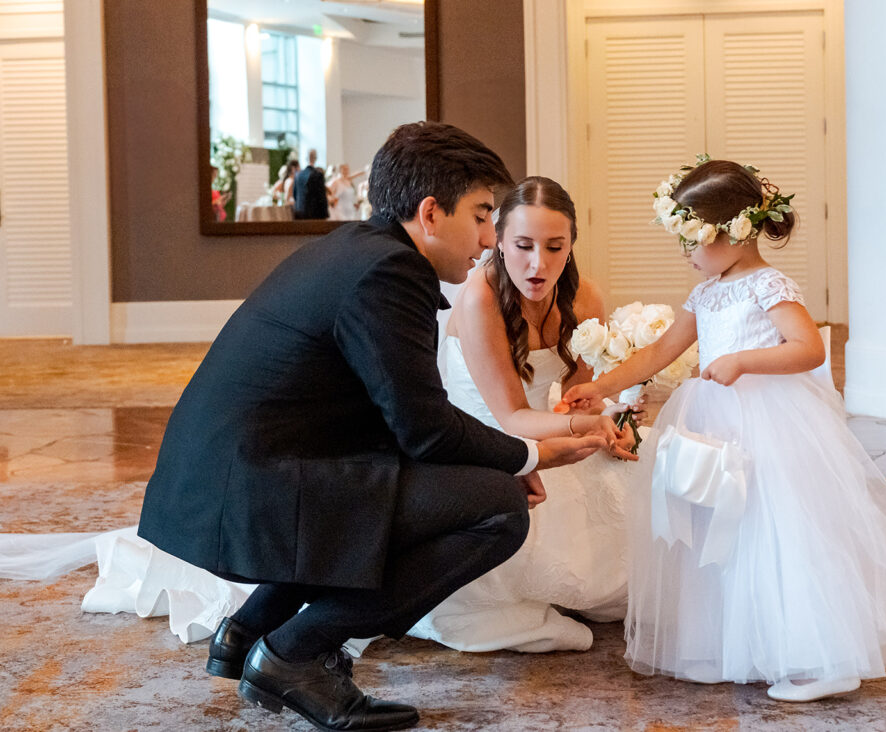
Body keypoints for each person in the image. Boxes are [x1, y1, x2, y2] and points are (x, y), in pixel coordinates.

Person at [137, 122, 609, 731]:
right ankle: (293, 654)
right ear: (431, 212)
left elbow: (400, 419)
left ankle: (249, 630)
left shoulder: (361, 248)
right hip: (253, 488)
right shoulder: (389, 274)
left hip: (239, 473)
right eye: (483, 215)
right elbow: (426, 430)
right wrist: (527, 458)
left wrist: (494, 460)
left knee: (457, 488)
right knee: (496, 509)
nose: (491, 238)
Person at [563, 158, 886, 702]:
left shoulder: (769, 284)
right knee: (715, 530)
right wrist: (603, 385)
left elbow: (808, 348)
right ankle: (728, 645)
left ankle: (822, 657)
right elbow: (661, 352)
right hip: (713, 420)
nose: (688, 255)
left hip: (769, 424)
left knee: (779, 530)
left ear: (733, 231)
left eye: (692, 241)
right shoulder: (705, 293)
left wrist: (746, 360)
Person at [410, 176, 639, 652]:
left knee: (648, 465)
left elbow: (575, 399)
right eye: (522, 245)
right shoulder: (480, 298)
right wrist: (583, 426)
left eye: (555, 247)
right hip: (491, 443)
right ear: (498, 240)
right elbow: (513, 417)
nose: (539, 264)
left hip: (551, 433)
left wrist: (612, 422)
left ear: (571, 245)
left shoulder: (585, 299)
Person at [293, 148, 328, 219]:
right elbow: (321, 197)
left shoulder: (298, 175)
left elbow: (295, 194)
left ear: (306, 158)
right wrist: (325, 214)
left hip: (299, 213)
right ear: (315, 158)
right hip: (314, 214)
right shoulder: (318, 175)